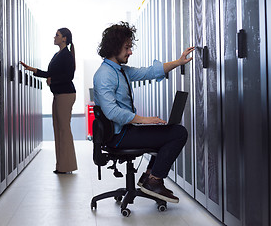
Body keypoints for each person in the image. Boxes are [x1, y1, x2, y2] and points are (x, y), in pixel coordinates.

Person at [93, 21, 194, 203]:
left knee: (168, 132)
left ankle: (149, 177)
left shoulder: (119, 70)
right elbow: (111, 111)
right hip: (119, 136)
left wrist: (179, 62)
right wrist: (143, 120)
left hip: (125, 131)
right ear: (114, 47)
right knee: (178, 133)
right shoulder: (104, 75)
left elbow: (148, 72)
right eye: (127, 48)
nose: (130, 52)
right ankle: (153, 180)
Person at [20, 28, 77, 174]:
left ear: (64, 38)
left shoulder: (67, 55)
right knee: (58, 129)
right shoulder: (57, 55)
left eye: (57, 35)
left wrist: (52, 80)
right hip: (58, 94)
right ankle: (61, 165)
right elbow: (49, 74)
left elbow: (68, 76)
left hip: (66, 94)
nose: (54, 37)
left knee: (64, 130)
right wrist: (32, 69)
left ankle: (67, 166)